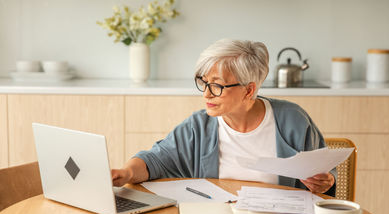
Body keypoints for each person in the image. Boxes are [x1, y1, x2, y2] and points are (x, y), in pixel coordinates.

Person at [112, 39, 336, 196]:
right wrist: (126, 172)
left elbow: (324, 177)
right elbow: (155, 160)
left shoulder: (293, 120)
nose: (207, 93)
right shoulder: (198, 126)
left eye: (217, 85)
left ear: (249, 90)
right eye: (204, 82)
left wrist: (324, 182)